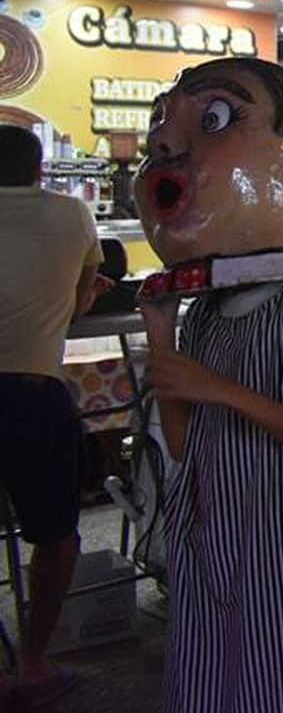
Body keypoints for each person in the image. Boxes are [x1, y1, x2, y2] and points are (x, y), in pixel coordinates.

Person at [133, 58, 283, 712]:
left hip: (281, 545)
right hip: (209, 533)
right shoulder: (207, 313)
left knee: (279, 681)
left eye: (213, 118)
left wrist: (216, 386)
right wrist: (162, 336)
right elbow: (187, 445)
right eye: (160, 122)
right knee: (210, 677)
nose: (163, 142)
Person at [0, 126, 107, 709]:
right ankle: (34, 663)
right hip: (31, 393)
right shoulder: (73, 217)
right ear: (40, 169)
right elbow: (78, 302)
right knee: (55, 535)